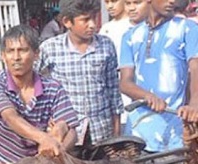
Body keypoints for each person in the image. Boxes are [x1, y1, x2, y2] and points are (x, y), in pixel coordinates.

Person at [0, 25, 79, 163]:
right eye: (10, 51)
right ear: (3, 56)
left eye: (23, 50)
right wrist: (45, 138)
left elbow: (72, 131)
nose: (16, 57)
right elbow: (10, 116)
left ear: (36, 54)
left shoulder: (53, 88)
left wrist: (59, 149)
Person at [39, 0, 122, 148]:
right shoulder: (50, 48)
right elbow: (31, 81)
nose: (92, 25)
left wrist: (117, 132)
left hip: (102, 131)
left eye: (94, 18)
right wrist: (46, 113)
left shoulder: (106, 45)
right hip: (67, 134)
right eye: (85, 20)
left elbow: (113, 90)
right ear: (67, 22)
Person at [119, 0, 198, 152]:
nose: (172, 1)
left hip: (174, 137)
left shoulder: (188, 29)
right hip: (136, 136)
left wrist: (194, 104)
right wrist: (148, 96)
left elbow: (196, 68)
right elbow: (125, 83)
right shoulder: (130, 36)